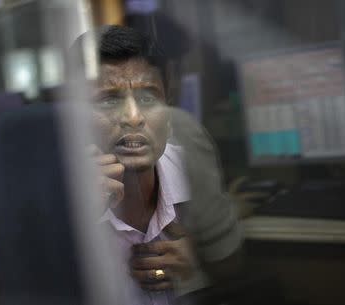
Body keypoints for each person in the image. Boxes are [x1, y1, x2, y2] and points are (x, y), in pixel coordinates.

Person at [74, 25, 241, 305]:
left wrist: (193, 266)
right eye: (108, 100)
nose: (133, 117)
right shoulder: (58, 194)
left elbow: (228, 261)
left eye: (147, 97)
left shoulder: (184, 150)